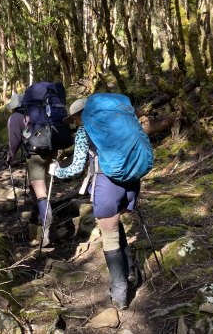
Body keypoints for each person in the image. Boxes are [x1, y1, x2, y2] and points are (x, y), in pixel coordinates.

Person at [48, 97, 140, 310]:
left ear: (80, 115)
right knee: (116, 226)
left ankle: (120, 293)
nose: (75, 123)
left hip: (108, 184)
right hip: (132, 180)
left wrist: (57, 171)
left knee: (109, 237)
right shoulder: (119, 120)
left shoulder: (84, 130)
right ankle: (131, 272)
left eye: (74, 119)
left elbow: (76, 167)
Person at [5, 93, 56, 246]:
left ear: (13, 106)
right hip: (50, 150)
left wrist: (11, 157)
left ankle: (48, 229)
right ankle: (37, 218)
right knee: (39, 185)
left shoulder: (14, 118)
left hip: (34, 155)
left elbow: (14, 142)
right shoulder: (40, 111)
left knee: (40, 191)